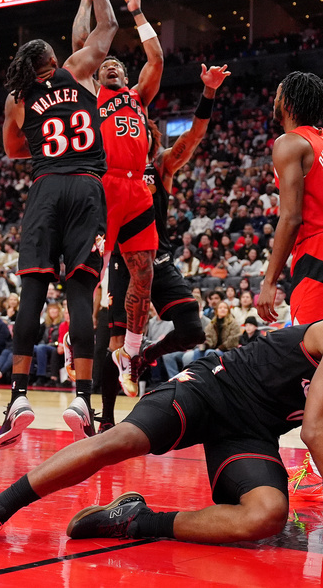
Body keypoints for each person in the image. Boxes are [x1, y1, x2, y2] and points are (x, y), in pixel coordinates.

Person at [0, 321, 323, 547]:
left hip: (250, 431)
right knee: (121, 441)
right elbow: (317, 430)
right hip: (214, 388)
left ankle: (134, 521)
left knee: (268, 516)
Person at [0, 0, 116, 448]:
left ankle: (19, 395)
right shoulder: (78, 71)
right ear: (53, 58)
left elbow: (13, 152)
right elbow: (107, 27)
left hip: (45, 187)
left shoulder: (17, 99)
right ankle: (83, 400)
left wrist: (45, 141)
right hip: (87, 188)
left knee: (33, 293)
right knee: (82, 295)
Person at [97, 64, 228, 428]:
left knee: (193, 330)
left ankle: (143, 358)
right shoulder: (114, 165)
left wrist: (209, 92)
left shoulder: (162, 166)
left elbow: (197, 133)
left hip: (161, 255)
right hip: (125, 258)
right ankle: (107, 419)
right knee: (115, 340)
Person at [72, 0, 162, 396]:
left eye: (117, 66)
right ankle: (73, 341)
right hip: (103, 186)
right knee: (92, 276)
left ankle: (128, 353)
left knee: (142, 275)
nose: (110, 67)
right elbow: (79, 46)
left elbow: (156, 58)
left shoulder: (138, 97)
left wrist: (139, 13)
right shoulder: (92, 93)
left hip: (137, 189)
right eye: (106, 65)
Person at [256, 72, 323, 327]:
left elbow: (291, 217)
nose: (274, 101)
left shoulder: (289, 142)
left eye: (278, 95)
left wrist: (269, 281)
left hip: (320, 248)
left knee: (311, 345)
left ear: (289, 103)